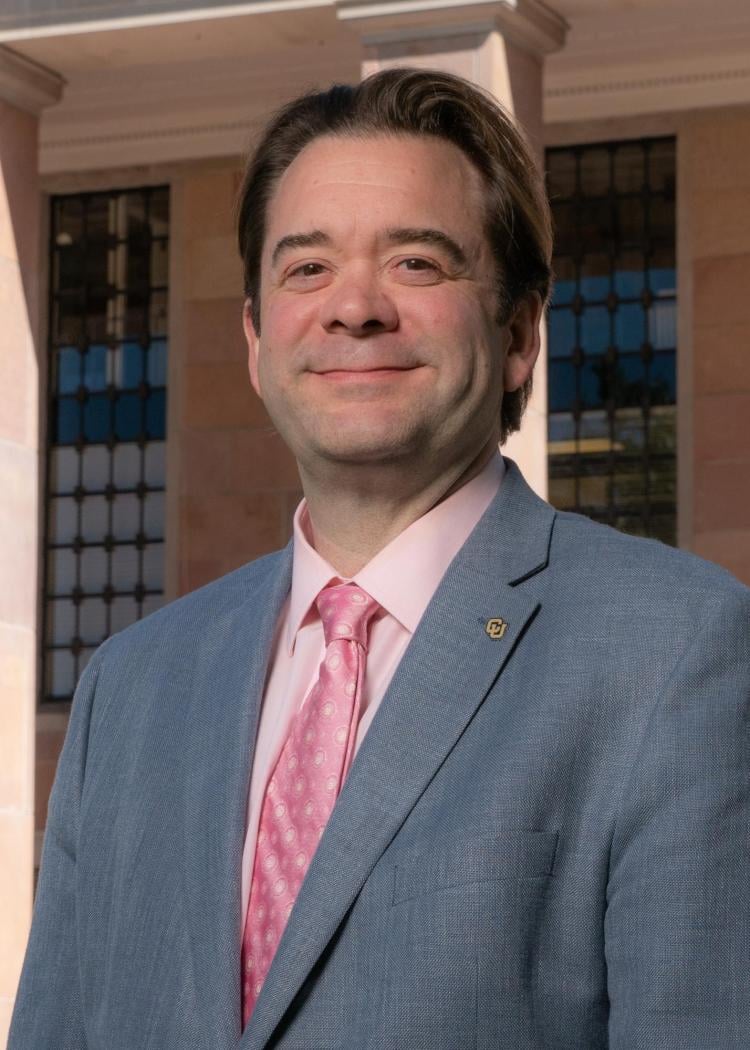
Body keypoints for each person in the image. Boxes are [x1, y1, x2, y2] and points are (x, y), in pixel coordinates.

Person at [10, 68, 749, 1050]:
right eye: (305, 269)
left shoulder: (679, 654)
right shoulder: (131, 689)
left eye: (416, 263)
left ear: (522, 332)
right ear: (255, 338)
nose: (352, 309)